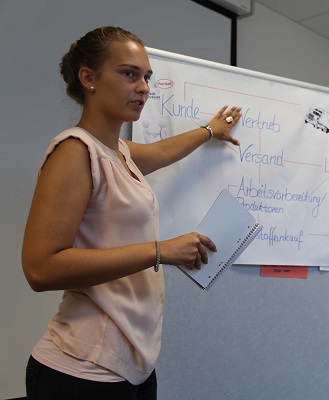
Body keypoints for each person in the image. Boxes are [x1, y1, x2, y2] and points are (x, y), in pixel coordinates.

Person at [21, 26, 241, 400]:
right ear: (88, 78)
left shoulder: (118, 152)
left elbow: (163, 152)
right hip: (81, 370)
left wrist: (209, 130)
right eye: (129, 74)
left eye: (147, 77)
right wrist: (161, 250)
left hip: (133, 368)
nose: (143, 87)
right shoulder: (75, 151)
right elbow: (41, 269)